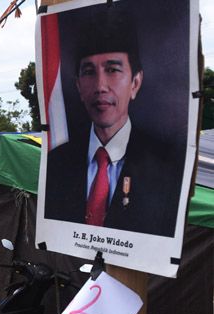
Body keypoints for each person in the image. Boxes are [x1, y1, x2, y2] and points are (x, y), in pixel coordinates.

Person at [44, 7, 182, 237]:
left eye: (113, 70)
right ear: (78, 86)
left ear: (135, 83)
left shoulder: (167, 166)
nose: (100, 86)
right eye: (89, 72)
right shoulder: (56, 164)